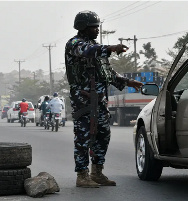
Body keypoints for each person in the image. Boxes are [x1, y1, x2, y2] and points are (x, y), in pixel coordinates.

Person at [65, 10, 143, 188]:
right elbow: (87, 51)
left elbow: (108, 73)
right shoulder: (75, 44)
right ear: (83, 27)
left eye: (97, 27)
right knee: (83, 137)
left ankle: (97, 172)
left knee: (103, 135)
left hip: (99, 100)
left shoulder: (96, 46)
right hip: (83, 100)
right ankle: (82, 175)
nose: (96, 30)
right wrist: (109, 48)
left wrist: (127, 81)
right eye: (93, 27)